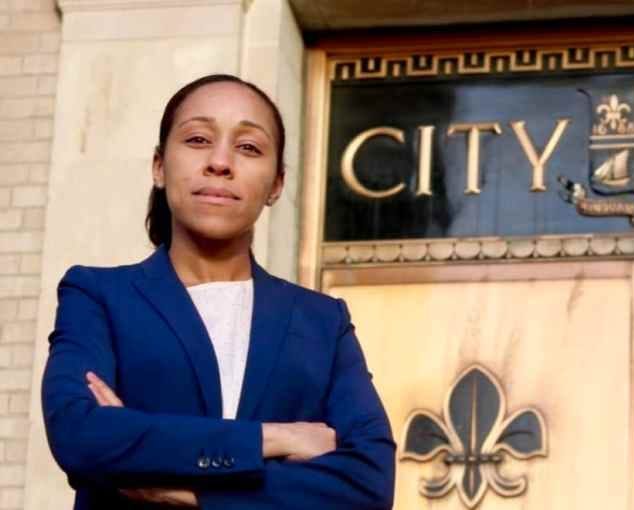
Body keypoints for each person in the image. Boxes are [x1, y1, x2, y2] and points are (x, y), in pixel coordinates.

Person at [40, 74, 396, 509]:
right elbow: (80, 435)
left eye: (248, 147)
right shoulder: (99, 295)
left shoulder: (322, 322)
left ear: (277, 184)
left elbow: (369, 484)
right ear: (159, 166)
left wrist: (190, 491)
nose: (220, 162)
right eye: (197, 140)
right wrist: (275, 437)